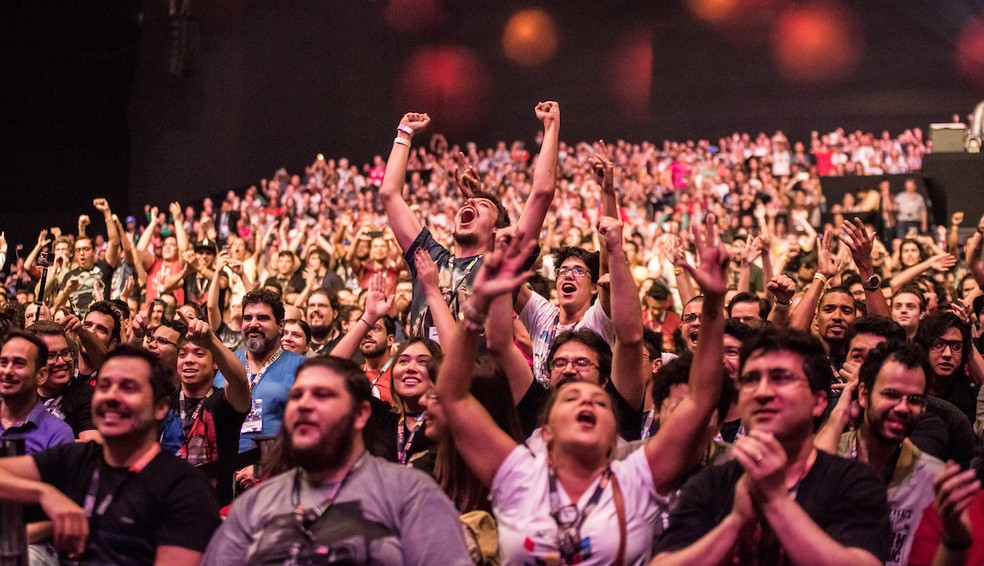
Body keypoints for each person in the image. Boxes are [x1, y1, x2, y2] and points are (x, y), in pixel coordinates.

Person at [437, 214, 729, 564]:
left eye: (599, 402)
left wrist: (714, 305)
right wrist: (473, 314)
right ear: (546, 429)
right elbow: (453, 397)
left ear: (615, 429)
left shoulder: (635, 477)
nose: (584, 400)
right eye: (571, 396)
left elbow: (700, 399)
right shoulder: (519, 474)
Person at [652, 328, 892, 565]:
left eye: (781, 378)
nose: (762, 392)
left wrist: (776, 500)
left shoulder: (854, 482)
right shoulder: (712, 482)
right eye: (751, 379)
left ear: (819, 402)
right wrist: (735, 522)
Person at [202, 356, 473, 565]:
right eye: (296, 395)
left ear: (360, 414)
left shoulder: (410, 493)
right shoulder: (254, 506)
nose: (303, 404)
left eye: (322, 395)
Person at [0, 345, 220, 565]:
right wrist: (43, 493)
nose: (111, 397)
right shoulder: (78, 457)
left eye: (128, 388)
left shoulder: (185, 489)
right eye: (104, 386)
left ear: (160, 406)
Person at [380, 104, 559, 340]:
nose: (470, 202)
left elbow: (541, 194)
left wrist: (551, 126)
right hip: (422, 364)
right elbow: (389, 194)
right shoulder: (430, 259)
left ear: (497, 230)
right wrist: (404, 134)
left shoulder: (502, 263)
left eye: (482, 205)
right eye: (466, 203)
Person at [816, 341, 944, 566]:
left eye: (914, 400)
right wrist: (839, 416)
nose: (903, 407)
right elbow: (806, 490)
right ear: (863, 394)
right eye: (891, 394)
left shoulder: (933, 479)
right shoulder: (831, 452)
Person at [159, 318, 251, 505]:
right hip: (165, 506)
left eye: (199, 354)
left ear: (216, 363)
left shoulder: (224, 403)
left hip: (214, 508)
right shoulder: (163, 402)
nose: (189, 360)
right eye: (182, 354)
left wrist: (211, 341)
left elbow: (240, 380)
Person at [216, 289, 306, 456]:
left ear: (281, 326)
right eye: (247, 318)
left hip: (275, 466)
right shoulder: (226, 363)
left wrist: (264, 464)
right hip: (224, 466)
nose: (253, 324)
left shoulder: (302, 367)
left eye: (262, 318)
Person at [0, 329, 74, 454]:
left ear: (41, 375)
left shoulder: (57, 434)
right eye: (3, 363)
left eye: (19, 364)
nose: (7, 371)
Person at [29, 321, 100, 441]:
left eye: (65, 353)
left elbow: (91, 445)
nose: (61, 362)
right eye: (51, 355)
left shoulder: (87, 396)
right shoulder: (23, 394)